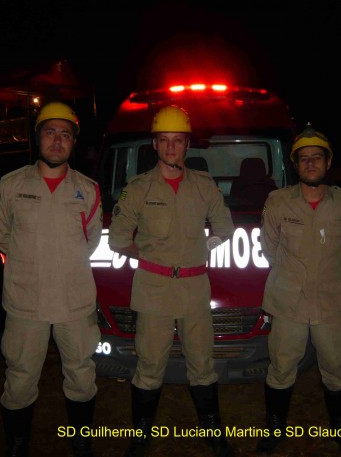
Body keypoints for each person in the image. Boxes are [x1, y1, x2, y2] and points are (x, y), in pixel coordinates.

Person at [108, 105, 236, 457]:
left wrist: (205, 246)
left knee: (203, 365)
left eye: (177, 140)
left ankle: (213, 432)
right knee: (149, 366)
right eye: (163, 140)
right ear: (154, 144)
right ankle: (140, 437)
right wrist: (150, 258)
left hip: (194, 290)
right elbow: (117, 239)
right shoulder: (137, 188)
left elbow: (224, 228)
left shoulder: (204, 186)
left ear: (187, 144)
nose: (170, 147)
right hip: (154, 290)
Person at [0, 101, 103, 457]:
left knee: (81, 376)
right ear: (37, 138)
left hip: (74, 302)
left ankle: (80, 442)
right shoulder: (11, 185)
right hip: (27, 302)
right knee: (20, 378)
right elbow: (0, 235)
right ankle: (18, 445)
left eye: (65, 134)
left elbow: (91, 240)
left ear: (73, 143)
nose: (57, 140)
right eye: (50, 132)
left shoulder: (88, 190)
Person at [256, 124, 341, 457]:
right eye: (304, 158)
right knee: (281, 367)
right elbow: (269, 247)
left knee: (337, 367)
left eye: (317, 157)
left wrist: (327, 276)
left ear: (328, 162)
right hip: (288, 303)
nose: (311, 163)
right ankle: (275, 430)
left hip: (330, 303)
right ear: (295, 165)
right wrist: (293, 277)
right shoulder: (277, 202)